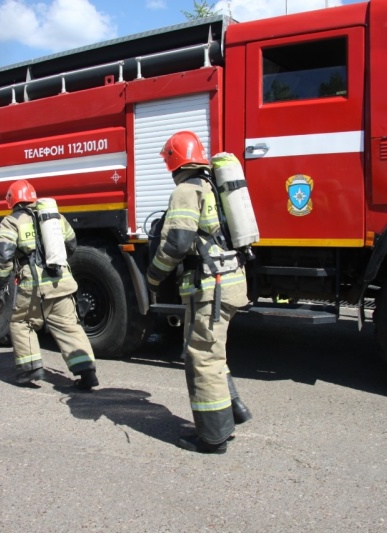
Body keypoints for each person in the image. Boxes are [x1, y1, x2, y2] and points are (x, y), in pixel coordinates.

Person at [147, 131, 252, 454]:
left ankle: (213, 436)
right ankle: (233, 411)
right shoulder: (212, 187)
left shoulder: (186, 190)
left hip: (210, 287)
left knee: (202, 357)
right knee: (212, 352)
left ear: (174, 161)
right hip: (230, 282)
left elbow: (177, 242)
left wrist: (153, 276)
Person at [0, 179, 99, 389]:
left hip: (33, 285)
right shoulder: (55, 217)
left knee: (21, 323)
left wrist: (1, 281)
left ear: (11, 201)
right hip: (62, 282)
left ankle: (31, 369)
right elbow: (72, 244)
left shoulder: (11, 222)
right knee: (69, 327)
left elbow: (3, 255)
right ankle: (88, 373)